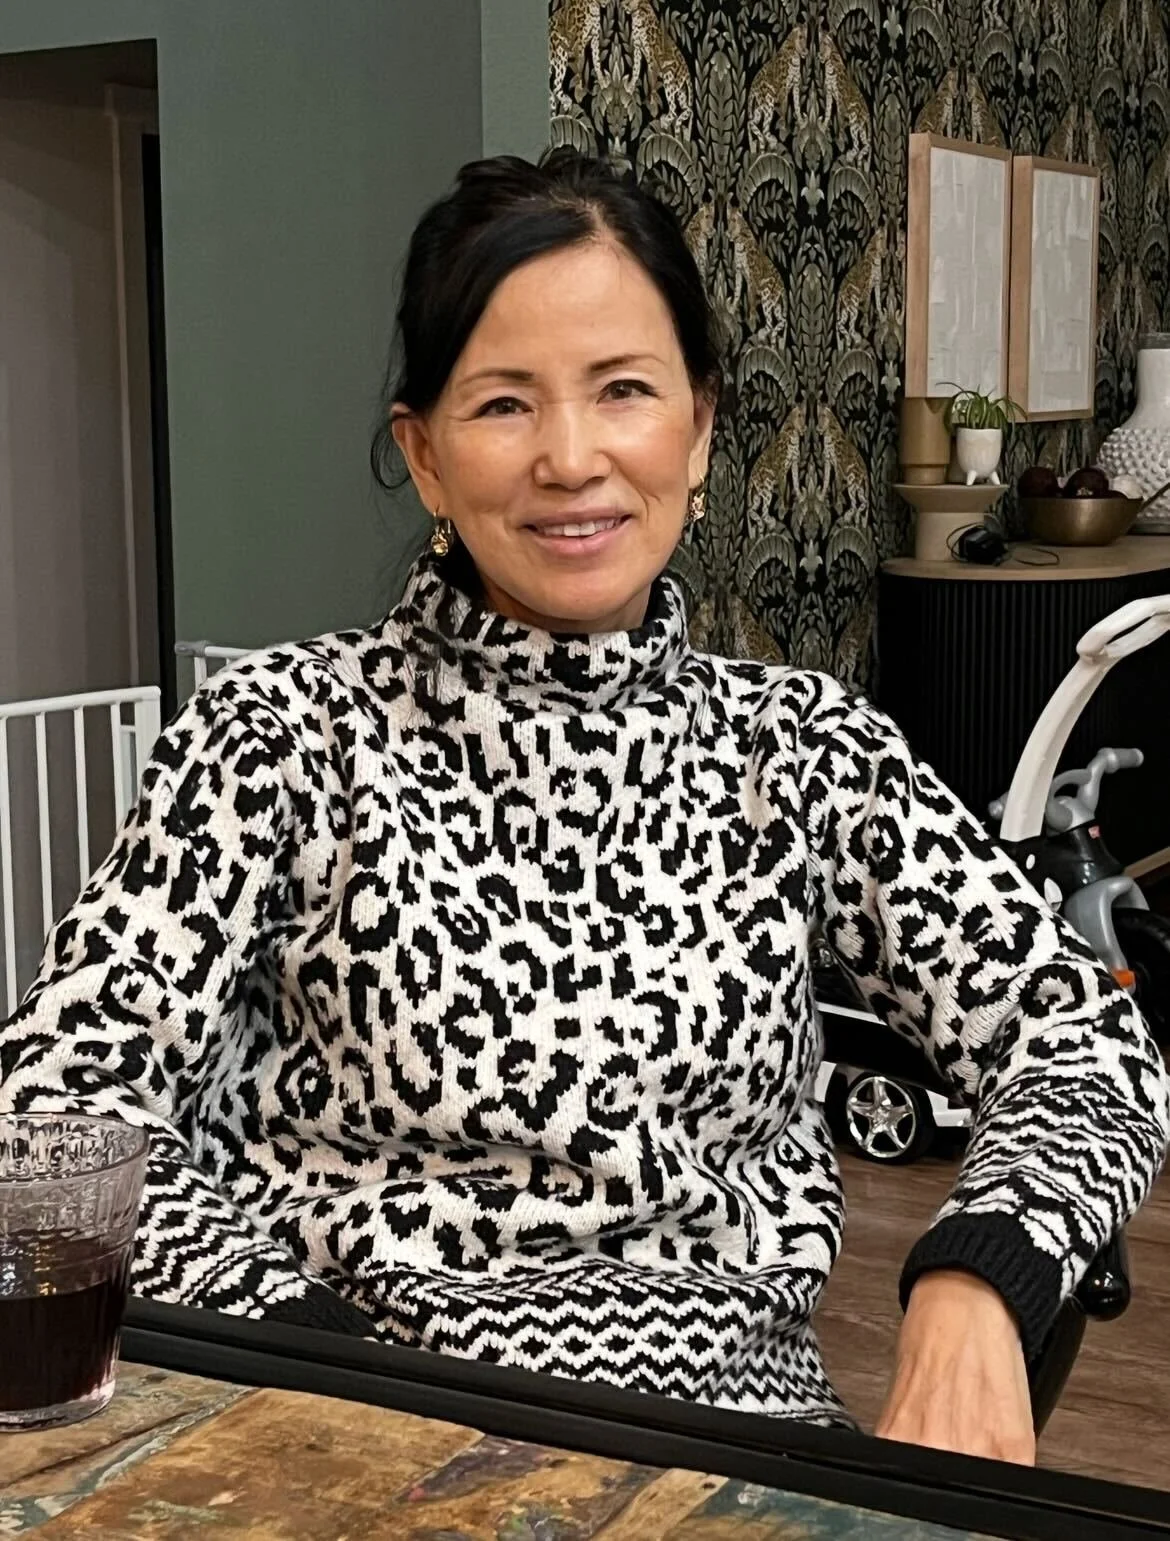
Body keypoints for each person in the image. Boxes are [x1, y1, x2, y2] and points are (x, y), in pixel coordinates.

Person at [1, 150, 1166, 1464]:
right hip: (346, 1433)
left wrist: (976, 1286)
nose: (569, 457)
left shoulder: (804, 750)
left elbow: (1080, 1042)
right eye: (502, 403)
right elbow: (55, 1117)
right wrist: (311, 1360)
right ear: (424, 456)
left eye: (622, 390)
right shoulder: (277, 734)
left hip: (735, 1449)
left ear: (700, 429)